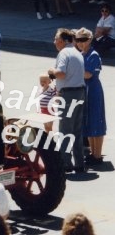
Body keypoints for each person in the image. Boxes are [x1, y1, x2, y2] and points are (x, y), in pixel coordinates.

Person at [47, 28, 85, 173]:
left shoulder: (63, 53)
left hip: (68, 94)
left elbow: (61, 73)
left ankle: (66, 163)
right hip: (80, 92)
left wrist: (51, 71)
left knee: (65, 130)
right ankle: (79, 163)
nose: (54, 42)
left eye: (56, 39)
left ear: (62, 40)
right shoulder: (76, 52)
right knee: (76, 130)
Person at [74, 28, 106, 165]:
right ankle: (93, 153)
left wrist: (73, 72)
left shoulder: (93, 55)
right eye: (78, 40)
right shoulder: (81, 54)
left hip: (93, 90)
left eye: (83, 40)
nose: (80, 43)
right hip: (84, 89)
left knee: (96, 121)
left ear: (89, 40)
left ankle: (97, 155)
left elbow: (89, 74)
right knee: (88, 122)